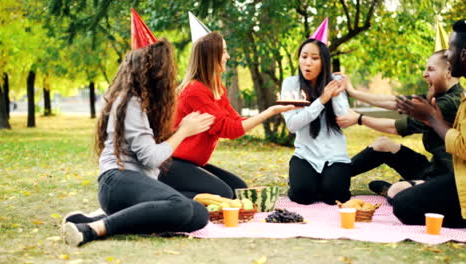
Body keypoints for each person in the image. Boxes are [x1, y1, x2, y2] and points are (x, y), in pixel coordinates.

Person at [62, 39, 216, 247]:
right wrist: (184, 131)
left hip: (135, 183)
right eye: (169, 73)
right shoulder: (130, 103)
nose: (172, 79)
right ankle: (92, 229)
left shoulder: (143, 105)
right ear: (154, 74)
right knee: (179, 205)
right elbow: (150, 158)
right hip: (117, 181)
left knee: (198, 213)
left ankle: (100, 218)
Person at [158, 32, 296, 199]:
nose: (228, 56)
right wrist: (269, 112)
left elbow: (235, 122)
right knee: (224, 194)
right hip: (172, 165)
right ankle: (165, 195)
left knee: (239, 190)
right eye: (223, 52)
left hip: (192, 164)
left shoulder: (216, 88)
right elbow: (229, 130)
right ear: (211, 56)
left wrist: (271, 110)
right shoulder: (194, 91)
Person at [336, 50, 462, 200]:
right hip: (433, 168)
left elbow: (395, 127)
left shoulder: (449, 103)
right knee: (382, 144)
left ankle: (399, 190)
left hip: (447, 179)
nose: (424, 74)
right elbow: (394, 102)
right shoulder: (439, 96)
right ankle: (334, 177)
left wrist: (359, 119)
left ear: (448, 72)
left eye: (431, 69)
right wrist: (352, 92)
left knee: (396, 191)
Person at [394, 19, 466, 228]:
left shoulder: (454, 97)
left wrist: (433, 119)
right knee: (404, 197)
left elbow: (463, 146)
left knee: (403, 205)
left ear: (463, 55)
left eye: (450, 50)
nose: (447, 56)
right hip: (456, 175)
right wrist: (432, 117)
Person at [281, 38, 349, 205]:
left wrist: (338, 93)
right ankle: (303, 181)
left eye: (314, 58)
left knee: (334, 196)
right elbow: (292, 125)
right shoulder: (291, 84)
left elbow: (344, 118)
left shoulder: (333, 82)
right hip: (305, 155)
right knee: (303, 195)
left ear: (323, 62)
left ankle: (324, 182)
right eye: (304, 57)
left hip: (335, 156)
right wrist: (322, 100)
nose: (308, 63)